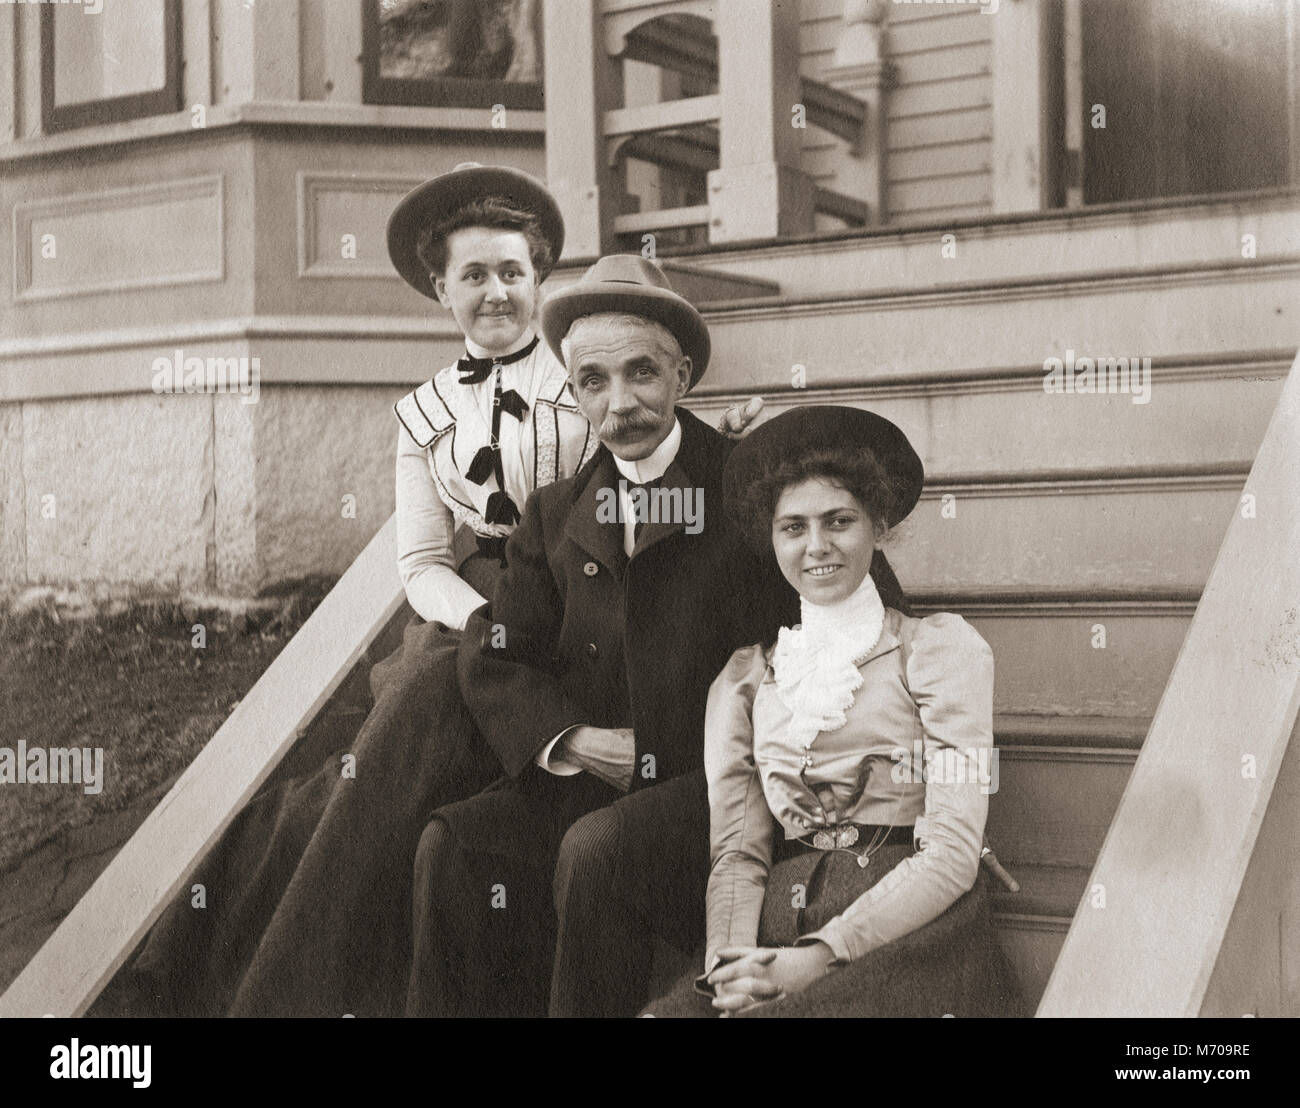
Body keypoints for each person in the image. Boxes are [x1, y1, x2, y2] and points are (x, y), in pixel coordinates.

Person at [100, 164, 590, 1017]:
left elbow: (640, 458)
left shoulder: (582, 386)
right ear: (441, 290)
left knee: (374, 771)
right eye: (473, 275)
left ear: (540, 279)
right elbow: (421, 564)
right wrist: (480, 618)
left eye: (513, 272)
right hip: (465, 613)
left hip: (560, 619)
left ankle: (275, 996)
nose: (497, 292)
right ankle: (169, 971)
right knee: (302, 801)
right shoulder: (423, 413)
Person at [404, 256, 910, 1017]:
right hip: (594, 776)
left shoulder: (752, 488)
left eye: (641, 373)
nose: (620, 406)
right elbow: (495, 651)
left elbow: (860, 609)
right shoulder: (554, 511)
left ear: (682, 375)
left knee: (597, 852)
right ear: (572, 393)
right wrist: (570, 740)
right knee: (455, 843)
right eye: (592, 383)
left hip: (717, 788)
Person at [642, 405, 1024, 1017]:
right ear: (771, 540)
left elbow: (953, 848)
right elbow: (739, 855)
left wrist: (819, 956)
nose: (816, 546)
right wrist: (730, 967)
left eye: (839, 521)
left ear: (878, 524)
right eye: (792, 528)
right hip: (776, 923)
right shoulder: (745, 680)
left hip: (907, 927)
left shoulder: (938, 652)